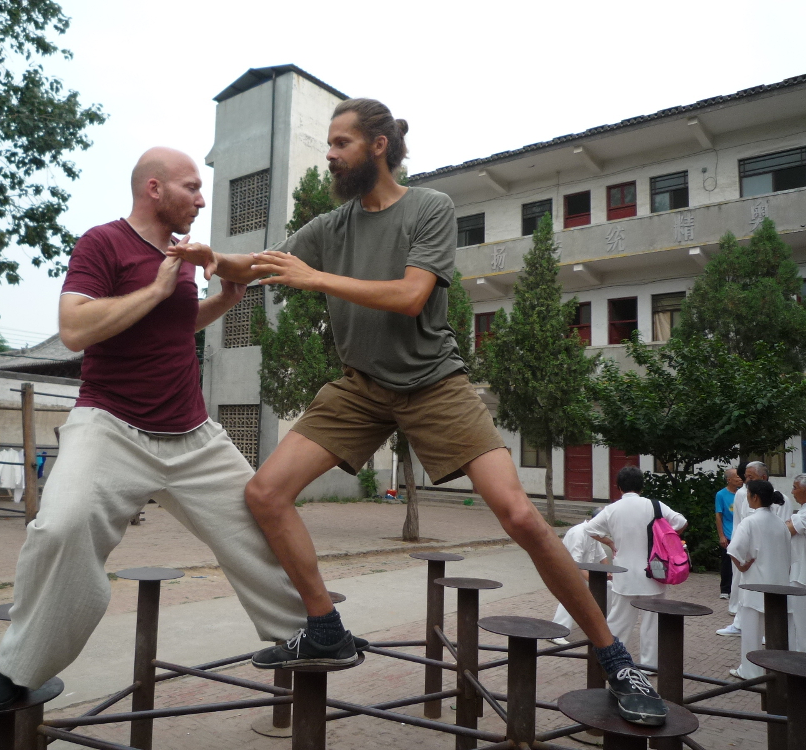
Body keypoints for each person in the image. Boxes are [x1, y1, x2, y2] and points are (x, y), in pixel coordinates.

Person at [172, 98, 670, 726]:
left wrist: (315, 279)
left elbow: (410, 297)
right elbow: (266, 265)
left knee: (519, 514)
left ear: (378, 145)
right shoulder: (333, 225)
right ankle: (324, 624)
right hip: (360, 386)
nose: (330, 154)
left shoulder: (429, 207)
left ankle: (617, 657)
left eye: (340, 143)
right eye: (328, 143)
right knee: (265, 493)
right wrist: (211, 259)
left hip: (434, 383)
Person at [0, 148, 313, 710]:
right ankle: (17, 669)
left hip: (190, 432)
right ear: (154, 189)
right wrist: (155, 289)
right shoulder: (102, 243)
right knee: (61, 528)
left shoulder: (181, 254)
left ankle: (306, 633)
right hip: (110, 424)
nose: (202, 200)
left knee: (260, 528)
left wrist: (219, 303)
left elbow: (175, 326)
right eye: (192, 187)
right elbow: (75, 327)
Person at [586, 465, 688, 672]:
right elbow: (681, 522)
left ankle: (611, 662)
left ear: (618, 487)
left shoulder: (612, 509)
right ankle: (649, 666)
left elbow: (590, 529)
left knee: (618, 621)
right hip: (654, 572)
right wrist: (664, 538)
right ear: (642, 486)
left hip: (624, 574)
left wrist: (611, 543)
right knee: (652, 623)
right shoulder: (655, 506)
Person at [726, 479, 791, 679]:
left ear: (755, 497)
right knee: (775, 633)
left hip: (754, 584)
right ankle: (776, 669)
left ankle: (750, 670)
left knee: (751, 633)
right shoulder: (780, 523)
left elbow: (734, 550)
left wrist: (742, 567)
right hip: (778, 585)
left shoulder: (750, 521)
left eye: (748, 496)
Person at [720, 461, 766, 636]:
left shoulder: (776, 496)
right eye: (745, 477)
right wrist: (736, 544)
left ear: (763, 477)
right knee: (740, 582)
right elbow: (738, 520)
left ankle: (763, 628)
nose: (746, 480)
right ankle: (739, 621)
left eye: (750, 477)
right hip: (743, 544)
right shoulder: (741, 494)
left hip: (763, 549)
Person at [548, 517, 610, 646]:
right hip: (567, 571)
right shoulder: (578, 533)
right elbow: (575, 563)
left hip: (583, 573)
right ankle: (556, 633)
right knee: (572, 596)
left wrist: (608, 573)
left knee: (610, 588)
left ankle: (604, 625)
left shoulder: (594, 534)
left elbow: (602, 557)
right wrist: (593, 582)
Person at [787, 473, 806, 653]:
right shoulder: (804, 511)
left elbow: (787, 529)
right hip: (799, 571)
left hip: (805, 575)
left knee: (804, 625)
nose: (792, 492)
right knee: (797, 622)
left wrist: (790, 522)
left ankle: (804, 666)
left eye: (795, 488)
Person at [715, 467, 743, 599]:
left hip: (740, 533)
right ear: (729, 479)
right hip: (728, 533)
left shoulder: (742, 494)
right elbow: (718, 515)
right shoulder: (721, 495)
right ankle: (725, 589)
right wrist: (721, 535)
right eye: (737, 477)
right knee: (727, 562)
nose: (740, 479)